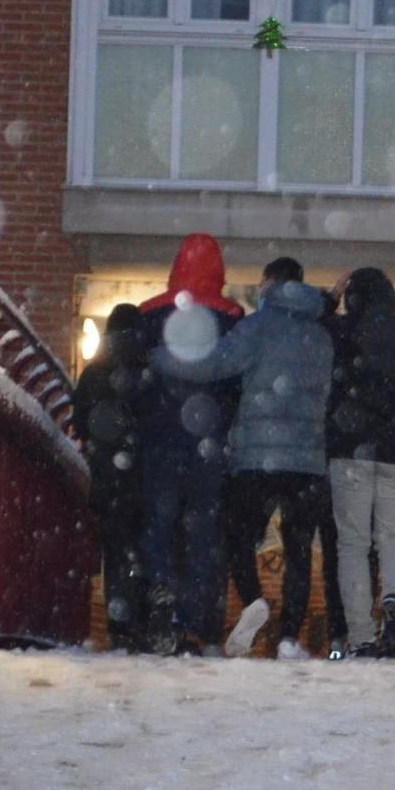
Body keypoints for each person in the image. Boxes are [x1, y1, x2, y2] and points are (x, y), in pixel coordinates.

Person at [156, 256, 333, 660]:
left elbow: (215, 365)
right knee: (299, 550)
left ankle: (254, 599)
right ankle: (289, 636)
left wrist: (164, 356)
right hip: (307, 461)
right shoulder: (322, 337)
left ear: (268, 283)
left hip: (256, 455)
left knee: (237, 537)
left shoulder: (256, 328)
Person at [135, 234, 245, 655]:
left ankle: (160, 600)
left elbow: (133, 382)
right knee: (203, 534)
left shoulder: (150, 315)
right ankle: (199, 623)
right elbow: (240, 384)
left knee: (158, 528)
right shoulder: (234, 320)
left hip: (157, 440)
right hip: (210, 445)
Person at [326, 267, 395, 658]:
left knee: (353, 545)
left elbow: (315, 328)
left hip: (349, 450)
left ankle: (361, 637)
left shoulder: (341, 333)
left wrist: (331, 298)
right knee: (393, 541)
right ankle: (393, 603)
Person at [72, 303, 149, 652]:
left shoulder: (94, 372)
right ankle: (145, 622)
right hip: (145, 479)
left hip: (107, 479)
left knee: (115, 555)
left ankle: (118, 625)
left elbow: (79, 422)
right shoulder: (150, 368)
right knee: (146, 550)